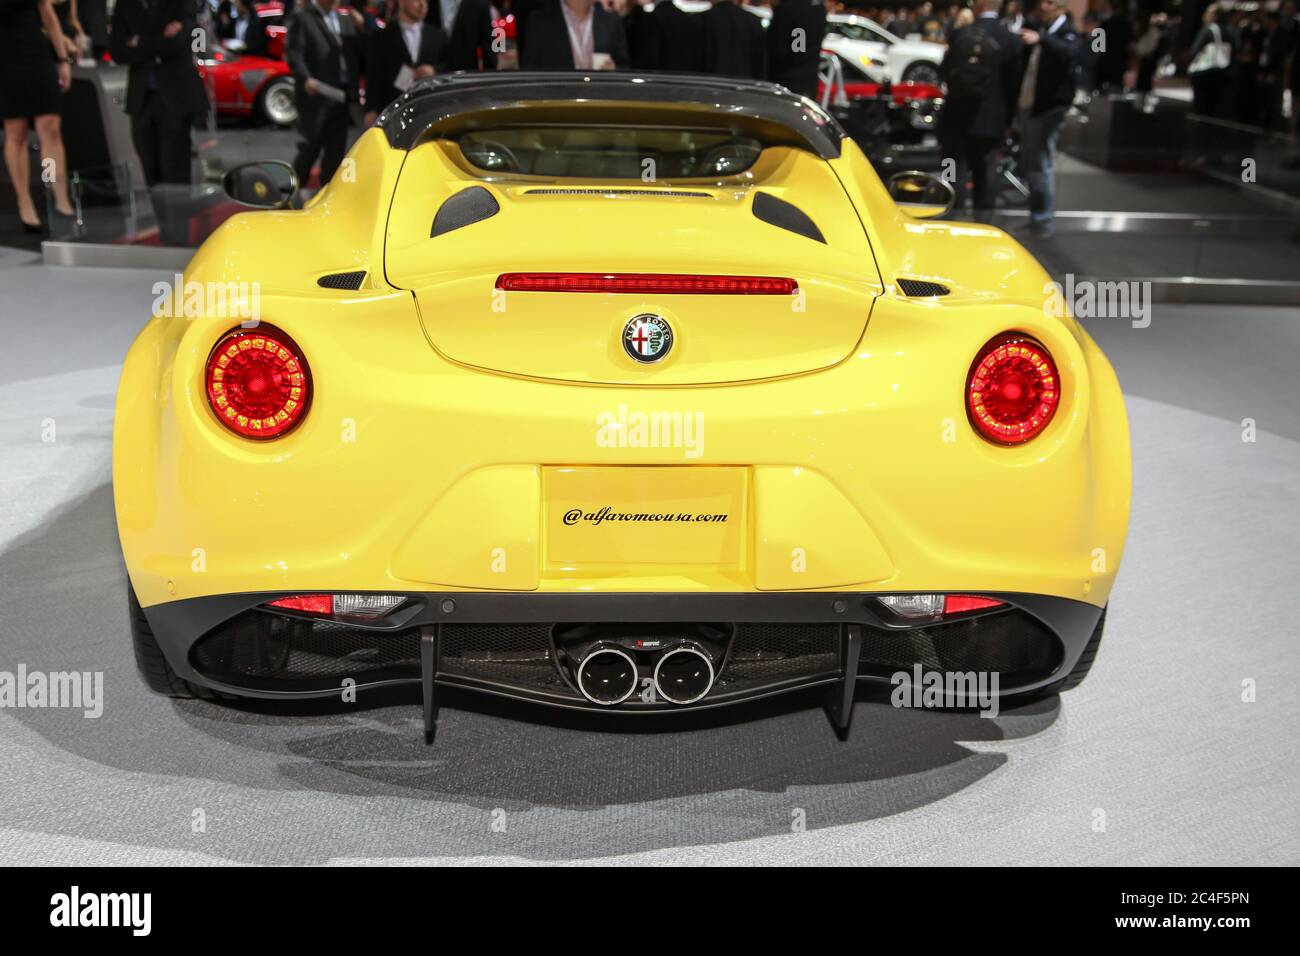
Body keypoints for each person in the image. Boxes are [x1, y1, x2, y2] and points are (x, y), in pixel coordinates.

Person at [110, 0, 209, 244]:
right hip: (141, 101)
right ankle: (167, 236)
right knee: (151, 174)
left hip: (175, 98)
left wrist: (140, 41)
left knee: (175, 175)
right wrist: (158, 41)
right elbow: (118, 51)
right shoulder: (125, 6)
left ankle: (179, 240)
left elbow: (181, 42)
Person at [938, 0, 1021, 216]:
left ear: (981, 5)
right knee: (986, 177)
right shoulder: (1009, 39)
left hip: (955, 118)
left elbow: (944, 71)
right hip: (990, 121)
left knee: (952, 172)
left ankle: (951, 222)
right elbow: (1014, 85)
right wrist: (1009, 121)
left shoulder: (959, 34)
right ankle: (983, 226)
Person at [1, 0, 77, 233]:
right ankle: (25, 201)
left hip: (36, 52)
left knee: (51, 127)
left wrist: (62, 59)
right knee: (16, 131)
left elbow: (47, 13)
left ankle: (60, 197)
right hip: (3, 58)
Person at [1016, 0, 1078, 237]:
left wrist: (1041, 40)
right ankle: (1036, 218)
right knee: (1033, 163)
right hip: (1032, 105)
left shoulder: (1065, 32)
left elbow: (1073, 53)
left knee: (1041, 164)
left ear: (1060, 7)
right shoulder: (1043, 29)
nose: (1043, 6)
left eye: (1049, 2)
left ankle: (1042, 221)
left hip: (1048, 109)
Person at [286, 0, 362, 189]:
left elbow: (357, 53)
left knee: (336, 152)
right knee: (309, 149)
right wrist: (305, 78)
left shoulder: (345, 19)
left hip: (342, 94)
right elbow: (295, 54)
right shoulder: (303, 17)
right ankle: (291, 193)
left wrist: (361, 27)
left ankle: (328, 197)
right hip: (316, 94)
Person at [365, 0, 443, 122]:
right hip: (392, 114)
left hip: (430, 113)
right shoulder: (381, 37)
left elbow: (450, 66)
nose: (422, 5)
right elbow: (373, 76)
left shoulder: (438, 36)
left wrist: (433, 70)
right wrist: (370, 110)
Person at [520, 0, 629, 69]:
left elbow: (625, 67)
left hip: (600, 100)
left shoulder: (611, 20)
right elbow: (530, 71)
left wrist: (614, 70)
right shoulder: (540, 21)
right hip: (557, 101)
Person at [767, 0, 826, 99]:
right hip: (808, 78)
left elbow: (781, 49)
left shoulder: (789, 8)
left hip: (787, 82)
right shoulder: (818, 7)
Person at [1188, 3, 1234, 119]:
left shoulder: (1208, 30)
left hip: (1205, 73)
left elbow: (1194, 51)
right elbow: (1236, 50)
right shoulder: (1229, 31)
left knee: (1201, 106)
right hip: (1223, 73)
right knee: (1215, 106)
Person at [426, 0, 497, 71]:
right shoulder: (427, 3)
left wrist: (490, 76)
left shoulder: (480, 4)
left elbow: (488, 46)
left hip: (466, 75)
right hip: (431, 75)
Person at [701, 0, 765, 79]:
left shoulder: (701, 19)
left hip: (708, 82)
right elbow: (760, 59)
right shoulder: (753, 20)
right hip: (746, 82)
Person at [1093, 0, 1131, 92]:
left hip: (1104, 64)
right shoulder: (1127, 25)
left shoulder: (1105, 25)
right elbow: (1129, 45)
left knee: (1101, 94)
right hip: (1119, 64)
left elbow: (1097, 47)